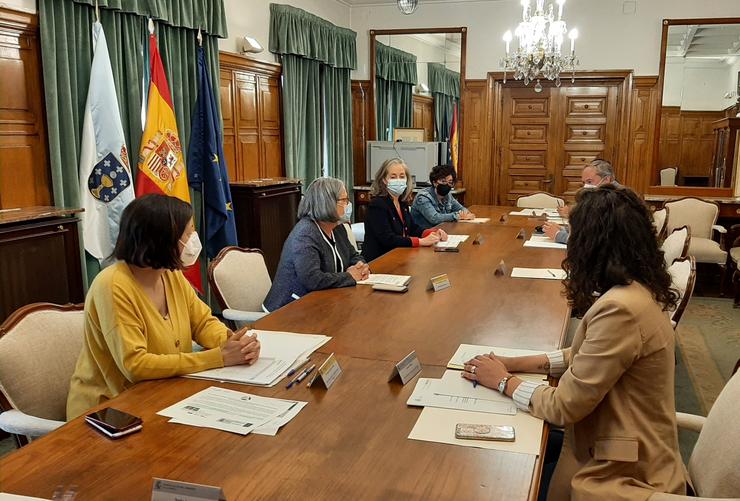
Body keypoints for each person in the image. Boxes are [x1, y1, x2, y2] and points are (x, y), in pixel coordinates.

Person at [462, 186, 685, 500]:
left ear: (593, 244)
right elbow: (584, 353)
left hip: (620, 468)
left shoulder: (621, 309)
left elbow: (563, 406)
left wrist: (502, 381)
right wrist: (514, 363)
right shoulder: (635, 289)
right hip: (613, 435)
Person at [67, 194, 260, 420]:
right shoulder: (112, 285)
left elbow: (202, 322)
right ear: (161, 239)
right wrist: (219, 357)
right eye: (187, 233)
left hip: (164, 396)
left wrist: (233, 343)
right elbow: (135, 365)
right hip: (110, 412)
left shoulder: (170, 275)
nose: (193, 239)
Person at [262, 177, 369, 311]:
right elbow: (312, 279)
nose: (348, 204)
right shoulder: (305, 234)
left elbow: (353, 255)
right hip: (288, 309)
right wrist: (349, 276)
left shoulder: (337, 227)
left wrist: (361, 267)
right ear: (327, 203)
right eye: (344, 200)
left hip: (324, 302)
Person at [362, 158, 448, 262]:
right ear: (384, 180)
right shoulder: (377, 205)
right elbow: (388, 239)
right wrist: (420, 241)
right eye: (393, 177)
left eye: (402, 176)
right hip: (380, 260)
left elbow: (412, 228)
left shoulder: (402, 203)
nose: (398, 180)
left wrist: (432, 233)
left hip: (400, 256)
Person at [543, 159, 620, 244]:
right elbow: (588, 229)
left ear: (606, 180)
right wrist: (567, 230)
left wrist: (558, 235)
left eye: (589, 181)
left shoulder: (615, 201)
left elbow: (591, 243)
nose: (585, 186)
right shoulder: (603, 196)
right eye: (584, 183)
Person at [411, 164, 475, 230]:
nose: (447, 185)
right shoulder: (423, 197)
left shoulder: (448, 195)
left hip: (441, 232)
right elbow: (435, 218)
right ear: (434, 182)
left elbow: (463, 209)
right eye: (443, 181)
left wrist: (464, 214)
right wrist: (458, 216)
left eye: (450, 182)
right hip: (423, 236)